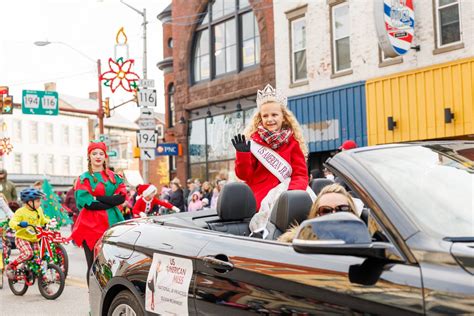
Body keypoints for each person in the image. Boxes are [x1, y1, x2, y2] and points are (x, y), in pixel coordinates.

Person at [232, 84, 315, 237]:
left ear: (283, 117)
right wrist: (242, 154)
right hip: (261, 199)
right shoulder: (253, 142)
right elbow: (244, 175)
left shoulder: (292, 143)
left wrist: (290, 196)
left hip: (288, 195)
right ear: (260, 118)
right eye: (265, 116)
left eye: (274, 115)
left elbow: (300, 174)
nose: (270, 119)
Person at [69, 141, 126, 286]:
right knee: (93, 265)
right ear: (89, 156)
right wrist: (110, 201)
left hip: (112, 224)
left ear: (105, 156)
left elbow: (121, 197)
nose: (98, 156)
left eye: (101, 153)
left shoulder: (114, 177)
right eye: (94, 153)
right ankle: (93, 303)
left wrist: (97, 198)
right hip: (90, 226)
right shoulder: (83, 178)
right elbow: (87, 203)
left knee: (114, 265)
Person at [278, 184, 357, 243]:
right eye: (325, 211)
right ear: (315, 216)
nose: (334, 215)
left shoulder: (367, 244)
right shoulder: (296, 246)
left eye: (342, 209)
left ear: (353, 213)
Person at [5, 188, 51, 279]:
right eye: (38, 201)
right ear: (30, 202)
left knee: (38, 259)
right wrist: (19, 224)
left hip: (34, 238)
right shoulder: (20, 212)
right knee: (28, 254)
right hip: (22, 238)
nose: (40, 203)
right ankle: (11, 266)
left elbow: (42, 220)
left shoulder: (39, 210)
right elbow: (12, 222)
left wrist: (50, 221)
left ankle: (43, 283)